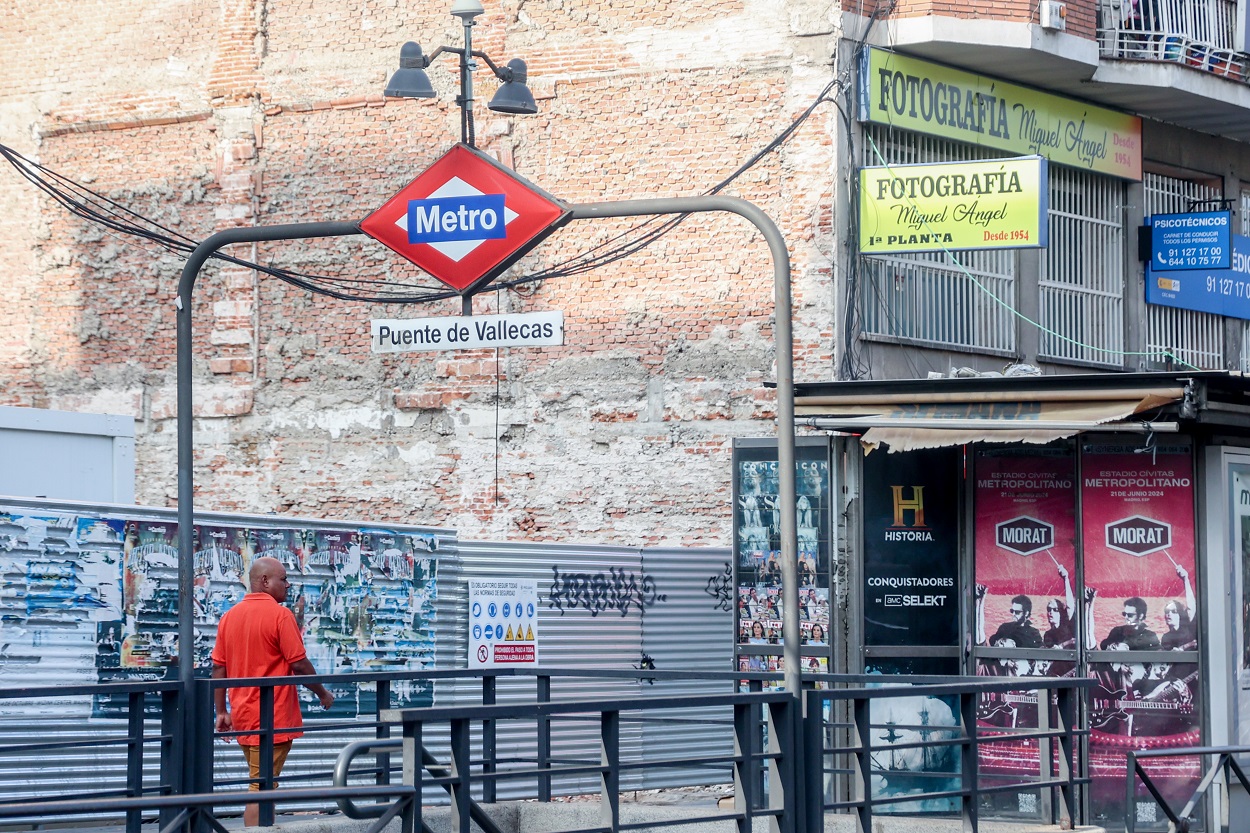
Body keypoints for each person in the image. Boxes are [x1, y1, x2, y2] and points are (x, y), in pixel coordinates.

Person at [212, 556, 335, 827]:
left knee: (262, 781)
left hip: (243, 716)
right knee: (261, 787)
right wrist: (322, 694)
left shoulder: (229, 617)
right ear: (265, 581)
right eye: (283, 579)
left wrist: (222, 712)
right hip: (273, 718)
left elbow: (218, 668)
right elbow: (299, 664)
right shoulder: (280, 615)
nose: (288, 585)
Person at [975, 584, 1043, 648]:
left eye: (1017, 612)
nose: (1013, 614)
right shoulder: (1005, 627)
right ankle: (979, 599)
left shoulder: (1034, 633)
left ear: (1026, 613)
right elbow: (991, 642)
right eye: (1012, 611)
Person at [1161, 563, 1198, 651]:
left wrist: (1185, 579)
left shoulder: (1189, 630)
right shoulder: (1166, 638)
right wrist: (1187, 645)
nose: (1169, 614)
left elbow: (1191, 606)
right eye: (1167, 611)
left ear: (1181, 615)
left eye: (1173, 611)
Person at [1043, 564, 1078, 649]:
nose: (1050, 612)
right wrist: (1069, 642)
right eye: (1049, 609)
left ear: (1061, 612)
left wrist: (1066, 579)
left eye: (1055, 609)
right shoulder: (1048, 634)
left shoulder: (1067, 624)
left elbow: (1070, 604)